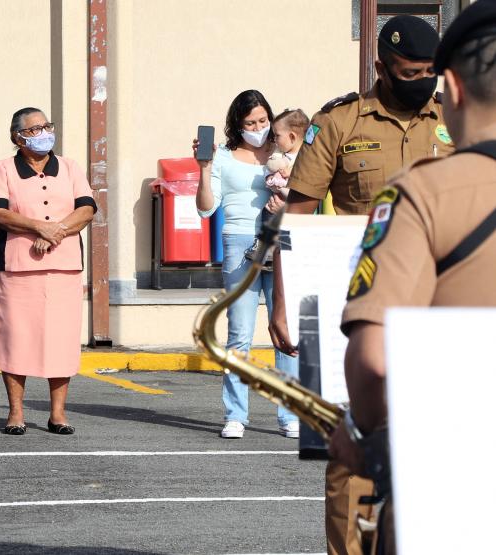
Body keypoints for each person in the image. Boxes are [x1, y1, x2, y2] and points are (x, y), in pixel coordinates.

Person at [268, 15, 452, 555]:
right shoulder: (340, 123)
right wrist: (283, 302)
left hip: (440, 306)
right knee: (353, 454)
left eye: (430, 72)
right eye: (409, 71)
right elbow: (296, 216)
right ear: (380, 67)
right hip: (358, 309)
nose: (422, 81)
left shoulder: (452, 120)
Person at [329, 3, 496, 552]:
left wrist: (366, 440)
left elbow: (375, 359)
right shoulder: (345, 122)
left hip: (457, 484)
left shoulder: (423, 192)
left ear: (451, 85)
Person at [193, 90, 300, 440]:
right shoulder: (222, 157)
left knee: (284, 329)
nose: (258, 127)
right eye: (250, 122)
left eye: (263, 120)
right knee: (239, 333)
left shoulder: (285, 150)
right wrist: (205, 170)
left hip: (282, 240)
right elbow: (206, 208)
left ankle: (289, 414)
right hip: (241, 242)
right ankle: (235, 414)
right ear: (237, 125)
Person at [0, 107, 97, 435]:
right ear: (17, 138)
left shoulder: (71, 167)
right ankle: (16, 413)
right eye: (34, 129)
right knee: (15, 338)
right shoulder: (3, 168)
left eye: (46, 126)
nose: (44, 132)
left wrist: (56, 231)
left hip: (63, 267)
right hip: (17, 268)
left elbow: (87, 208)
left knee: (60, 339)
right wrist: (38, 227)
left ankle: (57, 414)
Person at [245, 108, 310, 266]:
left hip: (296, 208)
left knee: (288, 239)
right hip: (278, 205)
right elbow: (271, 168)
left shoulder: (306, 158)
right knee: (267, 213)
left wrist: (283, 184)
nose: (274, 140)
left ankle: (280, 255)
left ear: (292, 137)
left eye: (277, 136)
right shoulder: (281, 156)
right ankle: (267, 250)